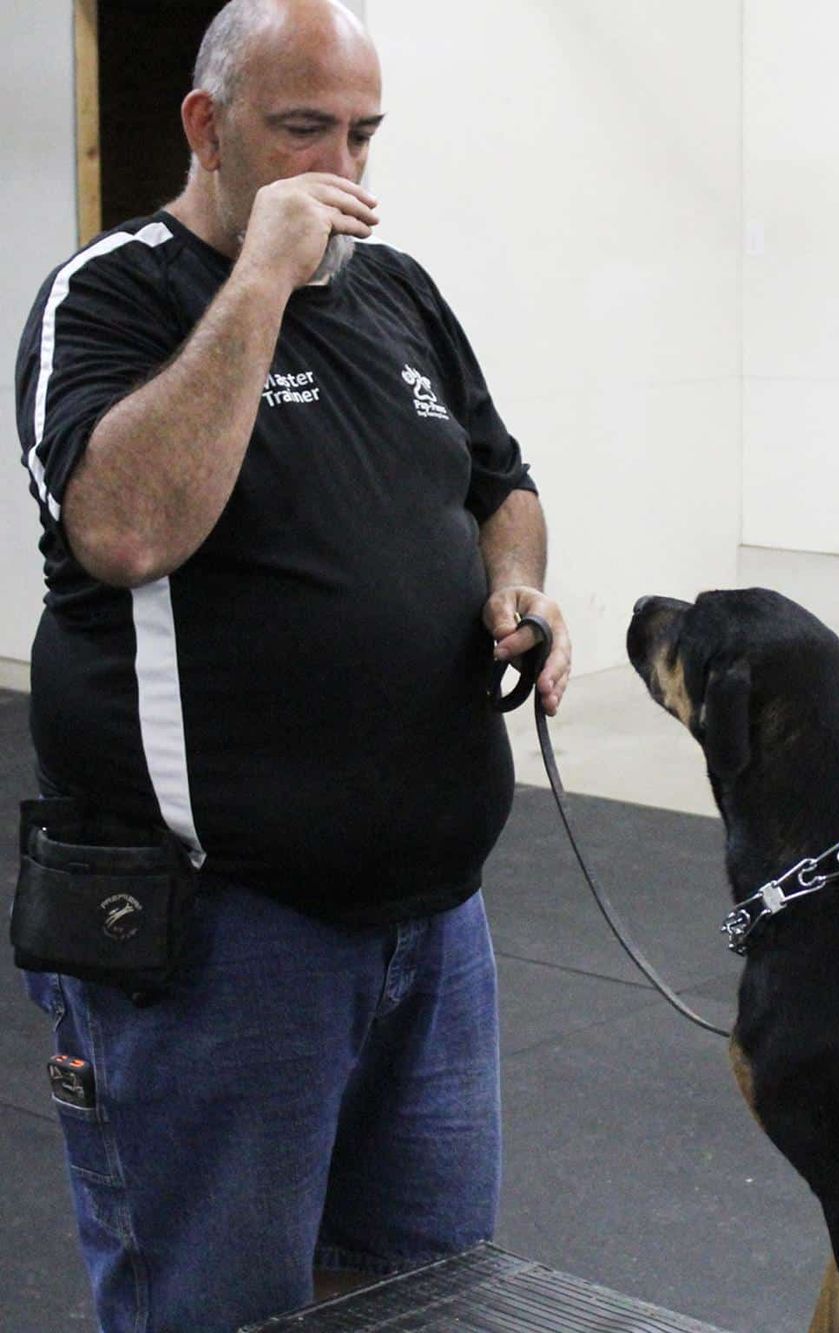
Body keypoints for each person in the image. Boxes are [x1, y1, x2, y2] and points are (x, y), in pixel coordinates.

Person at [14, 0, 571, 1328]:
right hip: (228, 934)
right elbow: (127, 527)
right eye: (303, 130)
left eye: (364, 136)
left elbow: (505, 485)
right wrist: (259, 279)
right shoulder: (113, 295)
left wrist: (516, 580)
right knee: (218, 1305)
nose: (343, 173)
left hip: (434, 925)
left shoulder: (397, 291)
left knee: (428, 1297)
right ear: (208, 128)